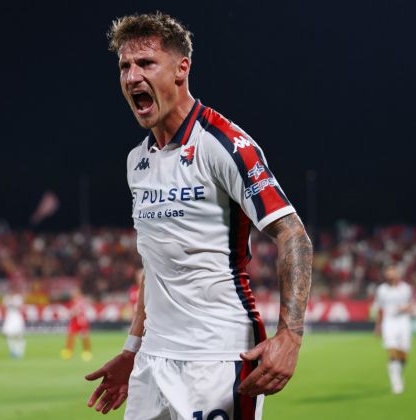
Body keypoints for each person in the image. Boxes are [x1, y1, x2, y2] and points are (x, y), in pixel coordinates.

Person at [85, 12, 313, 419]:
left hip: (218, 359)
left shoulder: (224, 144)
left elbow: (293, 234)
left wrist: (290, 336)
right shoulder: (137, 160)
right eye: (125, 66)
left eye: (146, 63)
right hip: (152, 362)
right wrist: (131, 349)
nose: (132, 76)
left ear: (181, 69)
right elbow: (153, 266)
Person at [374, 264, 414, 394]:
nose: (390, 275)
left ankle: (397, 374)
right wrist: (378, 326)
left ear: (398, 274)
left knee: (403, 355)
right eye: (388, 273)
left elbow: (411, 306)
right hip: (389, 323)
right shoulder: (382, 290)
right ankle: (396, 383)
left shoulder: (406, 289)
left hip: (403, 323)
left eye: (393, 272)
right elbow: (380, 308)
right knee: (392, 352)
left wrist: (406, 309)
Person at [61, 288, 93, 361]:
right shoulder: (72, 301)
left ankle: (87, 352)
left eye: (74, 293)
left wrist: (73, 313)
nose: (73, 294)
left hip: (81, 321)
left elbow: (79, 310)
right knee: (71, 336)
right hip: (74, 321)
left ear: (78, 293)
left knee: (84, 337)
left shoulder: (81, 301)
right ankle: (68, 352)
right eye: (72, 293)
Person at [2, 284, 26, 359]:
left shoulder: (18, 298)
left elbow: (20, 307)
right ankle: (12, 350)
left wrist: (12, 303)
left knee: (18, 335)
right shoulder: (6, 298)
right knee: (7, 333)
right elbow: (4, 306)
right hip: (9, 317)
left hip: (16, 317)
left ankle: (20, 351)